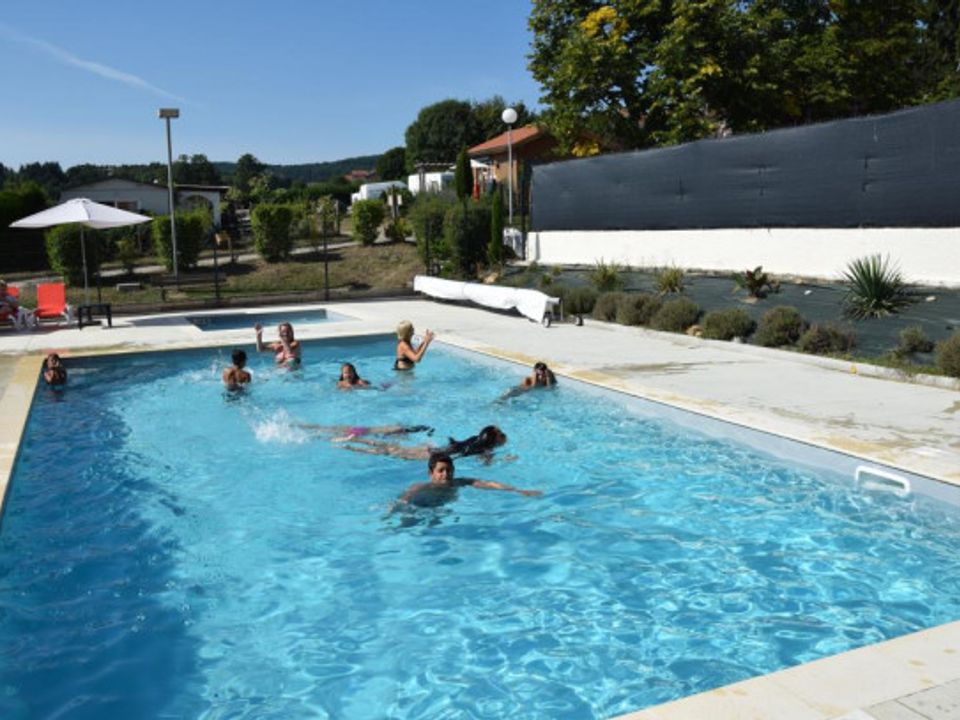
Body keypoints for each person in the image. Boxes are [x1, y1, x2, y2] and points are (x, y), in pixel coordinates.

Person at [393, 452, 541, 509]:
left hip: (439, 509)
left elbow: (487, 484)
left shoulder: (459, 482)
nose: (446, 474)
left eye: (449, 470)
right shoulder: (421, 486)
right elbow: (405, 498)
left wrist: (518, 490)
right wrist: (394, 508)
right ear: (430, 473)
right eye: (441, 471)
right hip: (420, 505)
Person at [341, 424, 508, 464]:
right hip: (431, 455)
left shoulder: (474, 438)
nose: (503, 437)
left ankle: (356, 439)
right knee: (389, 452)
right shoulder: (485, 450)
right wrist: (504, 459)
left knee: (392, 448)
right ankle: (351, 447)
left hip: (434, 449)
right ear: (492, 441)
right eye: (501, 436)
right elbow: (486, 463)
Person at [298, 422, 433, 441]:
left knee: (326, 429)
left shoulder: (395, 426)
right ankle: (307, 433)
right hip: (359, 433)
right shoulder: (397, 432)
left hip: (360, 429)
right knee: (326, 435)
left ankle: (303, 427)